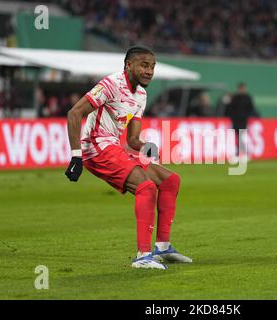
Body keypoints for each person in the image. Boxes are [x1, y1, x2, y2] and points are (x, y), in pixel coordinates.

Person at [64, 46, 192, 270]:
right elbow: (75, 113)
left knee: (171, 180)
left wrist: (145, 146)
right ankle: (143, 256)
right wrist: (76, 157)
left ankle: (162, 247)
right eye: (144, 65)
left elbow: (132, 139)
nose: (150, 71)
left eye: (153, 66)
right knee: (146, 187)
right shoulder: (110, 84)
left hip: (113, 145)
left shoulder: (141, 95)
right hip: (95, 147)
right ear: (128, 65)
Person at [224, 82, 258, 156]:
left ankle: (243, 151)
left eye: (243, 88)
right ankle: (242, 151)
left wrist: (250, 116)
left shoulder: (248, 98)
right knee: (238, 136)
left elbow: (251, 109)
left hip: (244, 121)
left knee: (241, 136)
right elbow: (229, 109)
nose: (242, 90)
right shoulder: (235, 98)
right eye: (241, 88)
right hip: (235, 121)